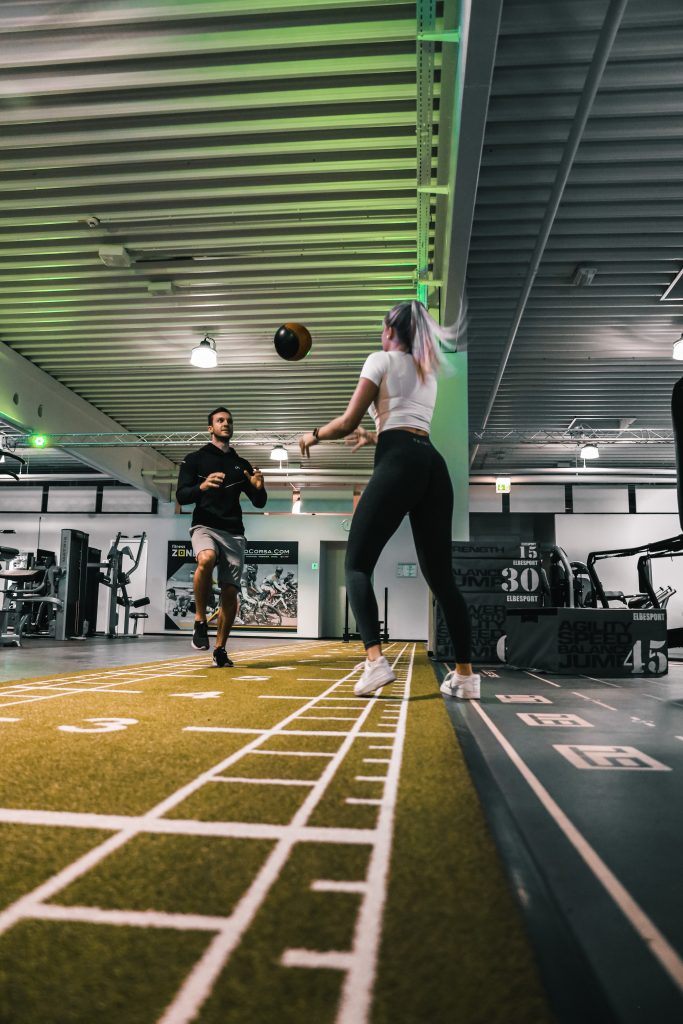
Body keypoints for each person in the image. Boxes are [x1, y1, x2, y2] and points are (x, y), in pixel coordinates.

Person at [299, 300, 479, 700]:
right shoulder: (426, 371)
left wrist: (313, 434)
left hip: (398, 463)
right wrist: (374, 435)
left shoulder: (379, 359)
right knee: (442, 580)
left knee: (356, 565)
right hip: (431, 465)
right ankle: (466, 677)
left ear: (390, 331)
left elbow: (347, 420)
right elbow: (406, 424)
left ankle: (375, 661)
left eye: (383, 328)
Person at [176, 406, 267, 667]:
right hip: (204, 525)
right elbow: (181, 495)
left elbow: (259, 502)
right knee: (206, 558)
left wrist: (260, 488)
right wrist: (202, 486)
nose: (225, 424)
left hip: (234, 531)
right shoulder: (194, 459)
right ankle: (200, 621)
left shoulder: (242, 465)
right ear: (210, 428)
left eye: (229, 421)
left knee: (230, 591)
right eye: (220, 420)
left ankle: (220, 649)